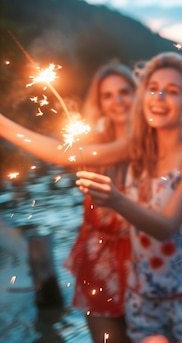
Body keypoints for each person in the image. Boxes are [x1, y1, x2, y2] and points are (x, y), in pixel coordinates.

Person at [0, 52, 182, 343]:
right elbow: (63, 153)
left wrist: (115, 199)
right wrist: (3, 125)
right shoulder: (135, 148)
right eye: (153, 89)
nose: (160, 96)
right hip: (142, 295)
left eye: (172, 91)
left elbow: (166, 226)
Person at [63, 61, 135, 343]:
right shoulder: (90, 144)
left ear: (137, 94)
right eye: (107, 95)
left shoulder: (151, 142)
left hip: (141, 260)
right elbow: (63, 153)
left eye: (124, 91)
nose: (117, 101)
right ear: (100, 103)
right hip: (97, 259)